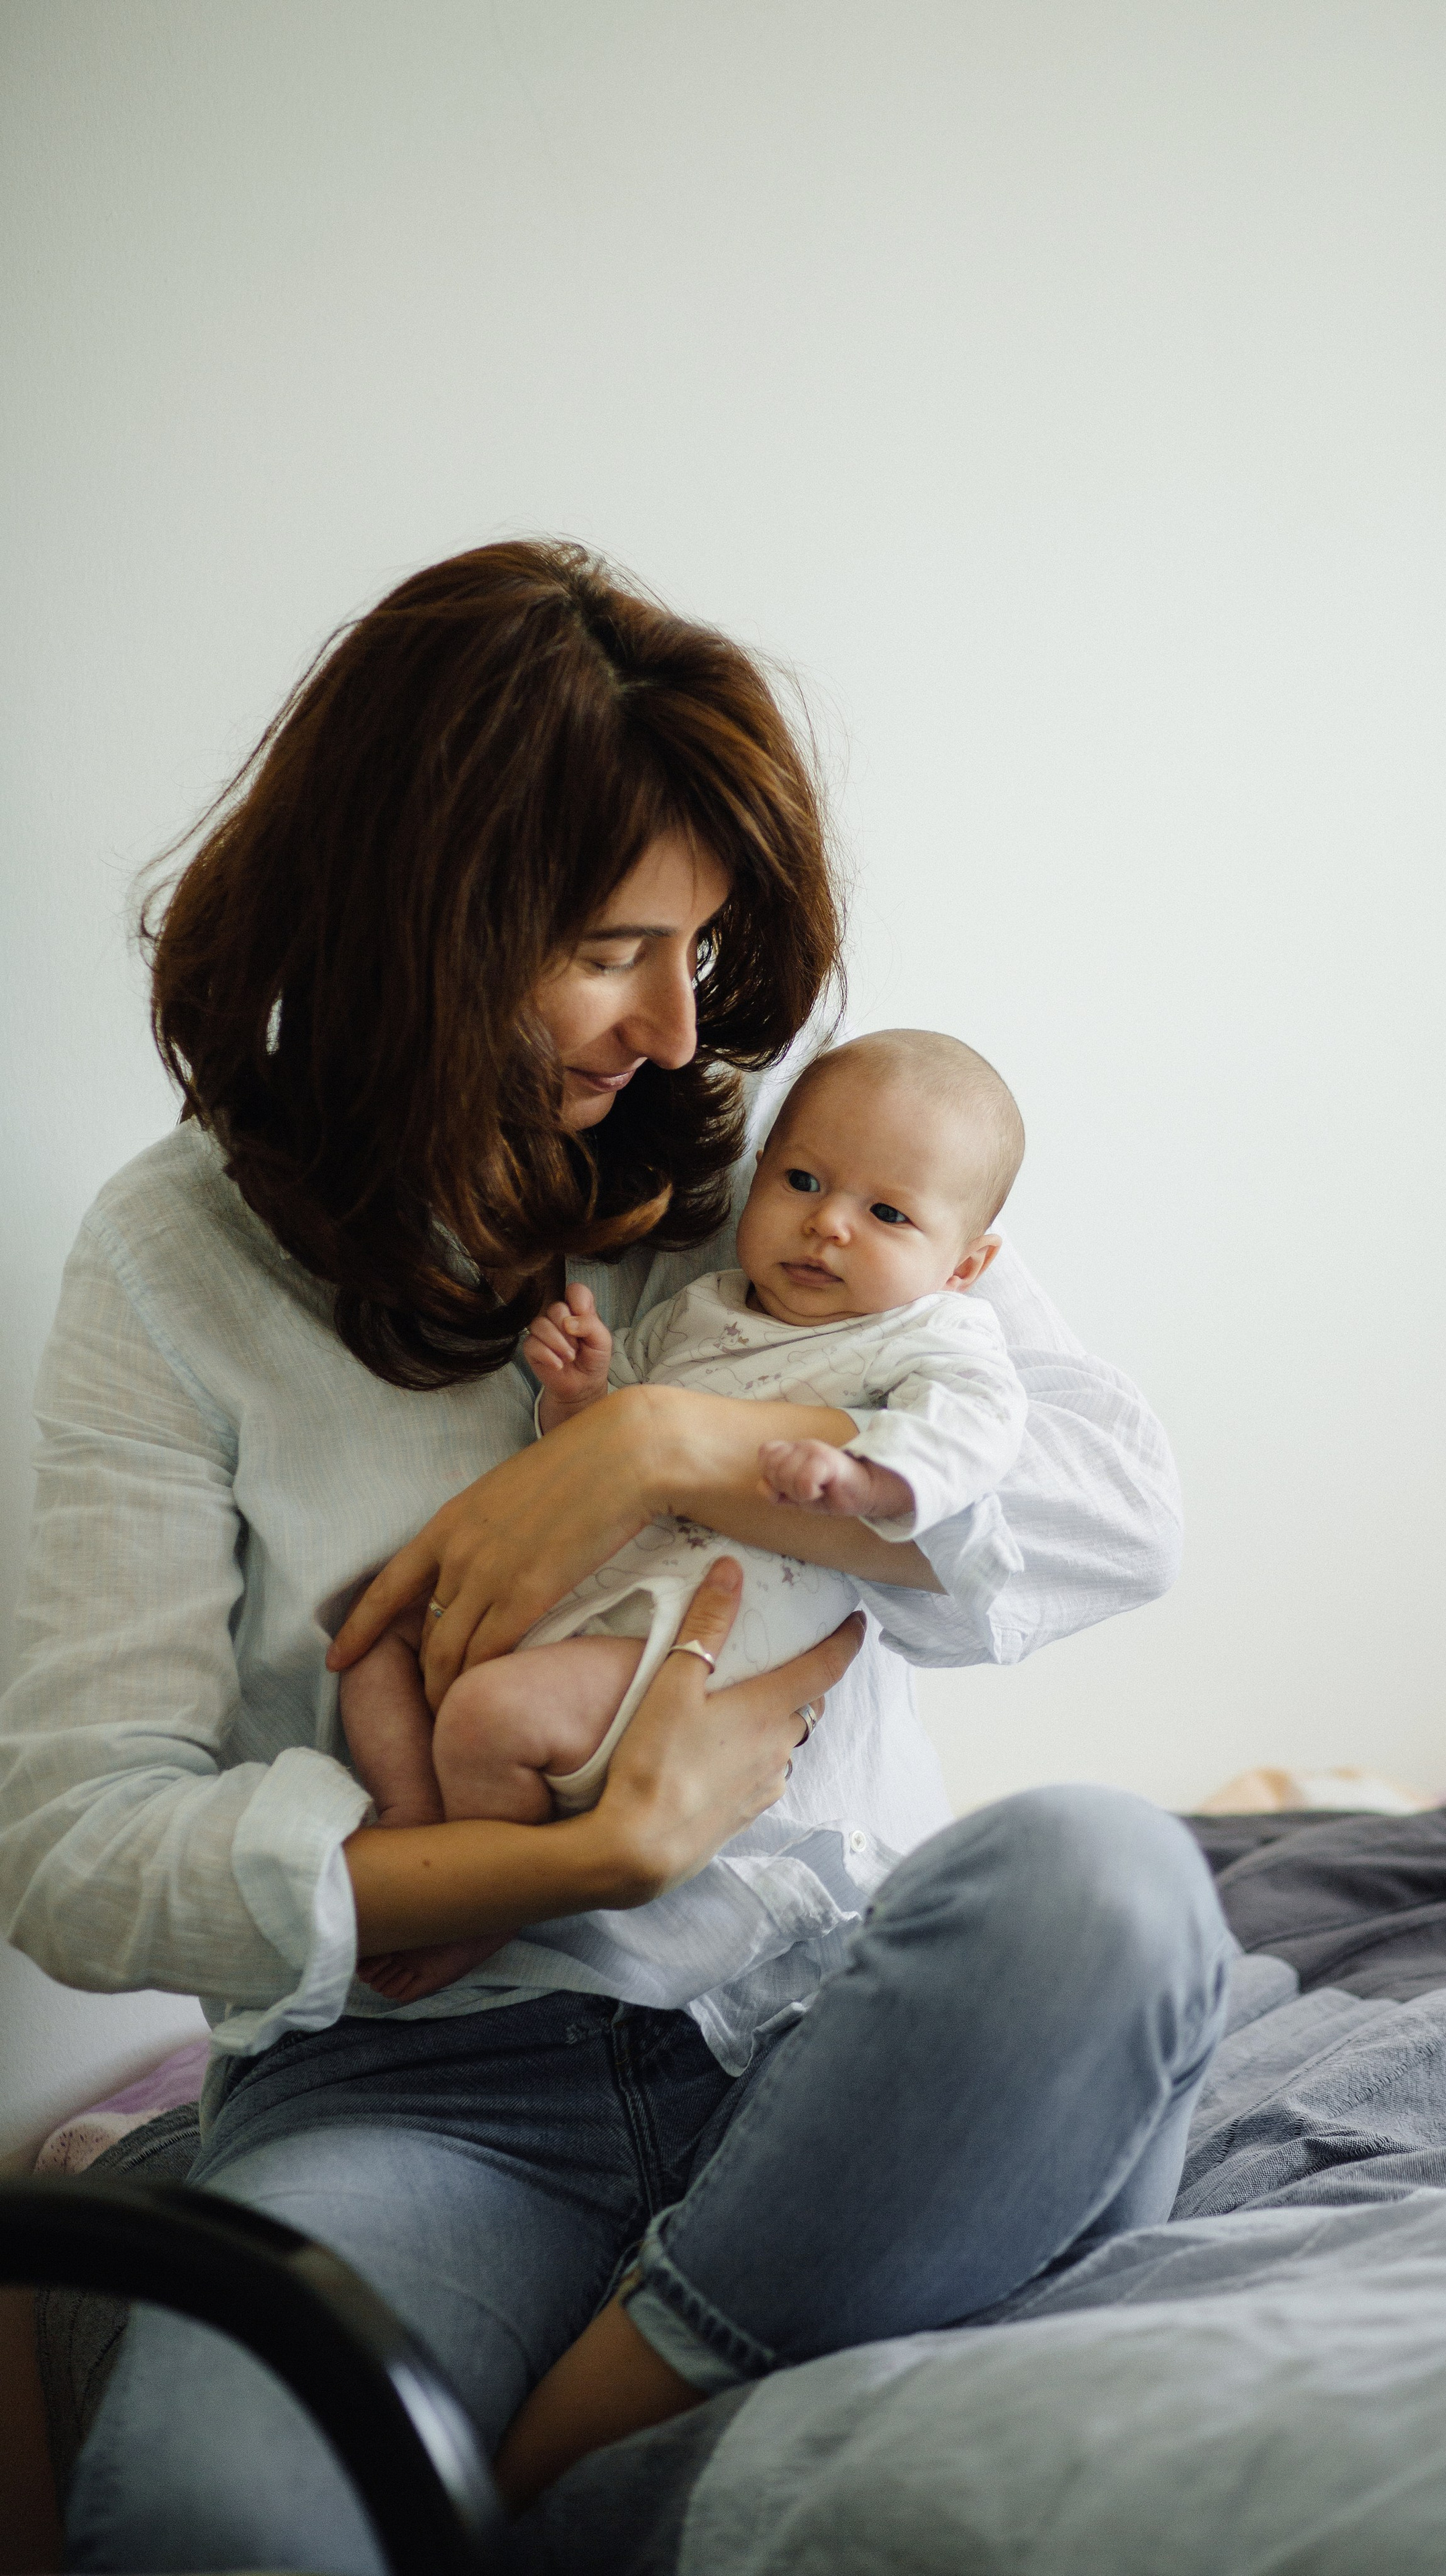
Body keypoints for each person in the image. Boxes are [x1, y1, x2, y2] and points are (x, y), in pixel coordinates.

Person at [0, 540, 1230, 2575]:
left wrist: (667, 1444)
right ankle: (666, 2391)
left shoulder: (776, 1175)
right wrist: (581, 1858)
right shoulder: (173, 1262)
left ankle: (554, 2453)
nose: (677, 1024)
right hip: (422, 2102)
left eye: (702, 948)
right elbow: (71, 1844)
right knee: (214, 2511)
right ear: (415, 924)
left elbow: (1116, 1511)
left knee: (1108, 1888)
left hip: (821, 2029)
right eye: (608, 948)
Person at [340, 1026, 1032, 2012]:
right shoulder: (706, 1305)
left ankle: (481, 1907)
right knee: (375, 1626)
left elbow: (980, 1431)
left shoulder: (933, 1332)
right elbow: (603, 1433)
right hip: (605, 1581)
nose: (828, 1224)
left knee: (492, 1717)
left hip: (706, 1622)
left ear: (966, 1264)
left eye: (885, 1212)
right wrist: (581, 1392)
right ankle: (417, 1816)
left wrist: (870, 1478)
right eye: (800, 1180)